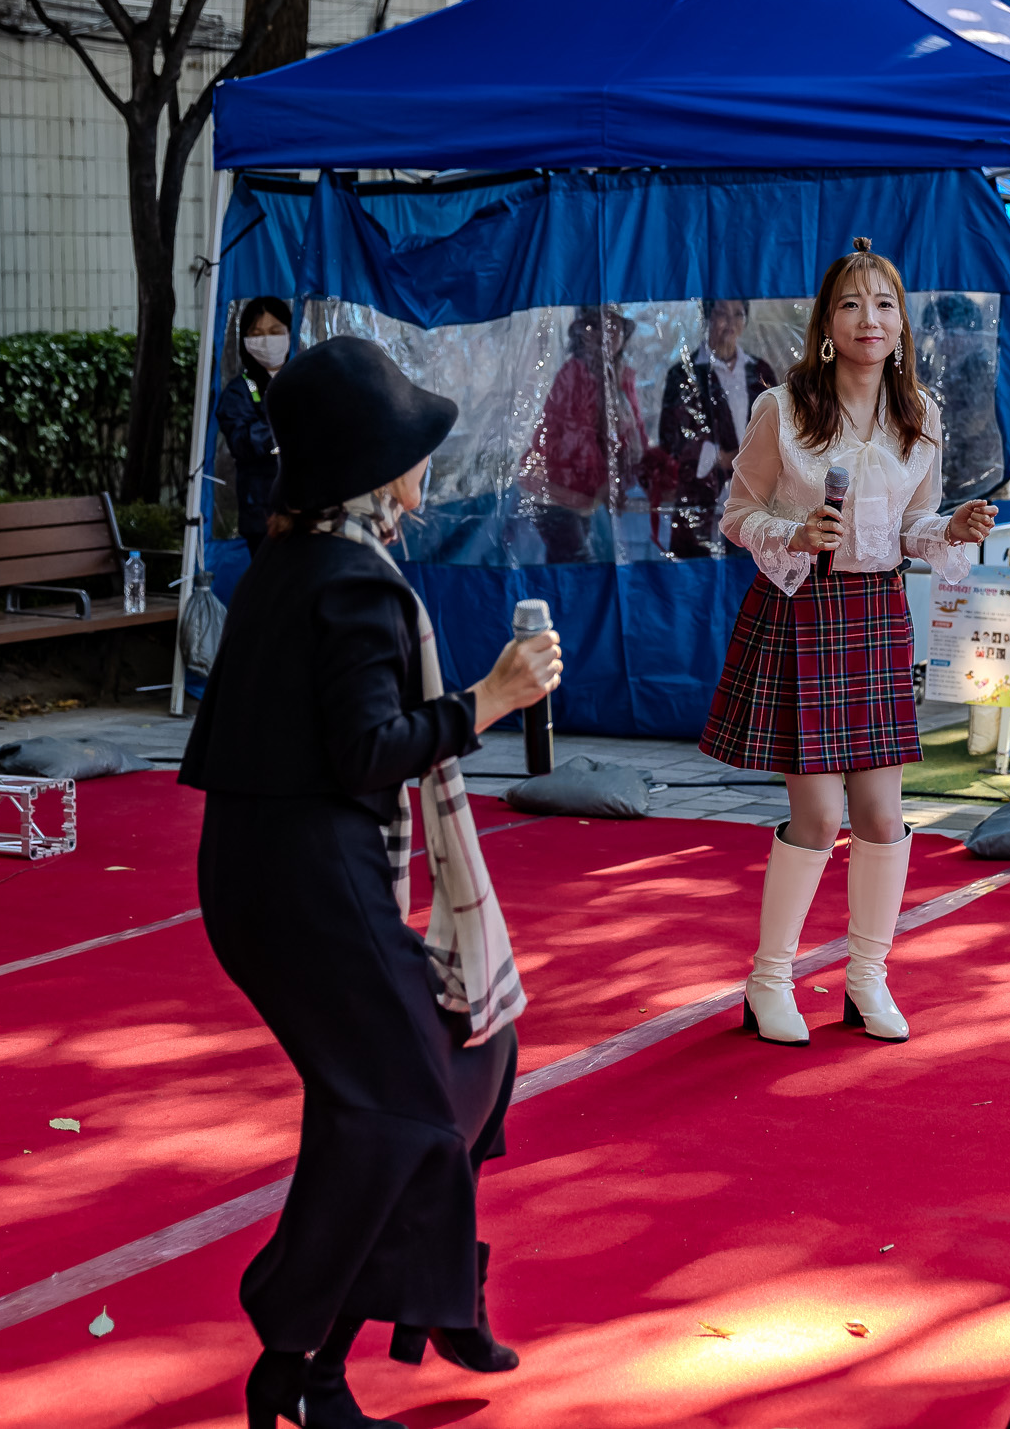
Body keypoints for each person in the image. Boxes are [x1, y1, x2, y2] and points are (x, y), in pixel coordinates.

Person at [181, 337, 563, 1429]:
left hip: (269, 872)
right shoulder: (348, 577)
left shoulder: (296, 562)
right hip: (309, 881)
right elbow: (365, 750)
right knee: (402, 1106)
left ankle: (431, 1297)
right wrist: (489, 698)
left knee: (476, 1047)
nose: (424, 466)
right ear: (370, 467)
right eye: (410, 448)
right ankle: (302, 1359)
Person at [700, 239, 995, 1048]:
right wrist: (795, 530)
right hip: (803, 608)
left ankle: (868, 979)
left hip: (878, 610)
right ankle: (769, 981)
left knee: (881, 810)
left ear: (902, 324)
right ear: (829, 323)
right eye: (854, 304)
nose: (872, 319)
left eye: (886, 305)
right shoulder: (783, 406)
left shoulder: (921, 415)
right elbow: (736, 515)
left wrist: (953, 526)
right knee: (820, 810)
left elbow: (911, 527)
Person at [523, 306, 646, 564]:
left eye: (615, 327)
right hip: (560, 495)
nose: (608, 334)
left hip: (594, 497)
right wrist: (606, 484)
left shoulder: (623, 377)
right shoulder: (573, 374)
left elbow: (635, 434)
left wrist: (631, 476)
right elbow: (572, 442)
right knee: (576, 569)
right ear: (585, 334)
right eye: (599, 326)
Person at [657, 298, 778, 558]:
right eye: (722, 313)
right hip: (698, 495)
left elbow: (778, 429)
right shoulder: (683, 374)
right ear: (707, 319)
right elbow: (671, 436)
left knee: (747, 570)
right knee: (696, 572)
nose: (730, 322)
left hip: (754, 495)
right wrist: (721, 458)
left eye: (738, 314)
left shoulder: (760, 371)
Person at [217, 297, 294, 555]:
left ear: (290, 334)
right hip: (262, 513)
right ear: (245, 340)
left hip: (308, 510)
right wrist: (289, 427)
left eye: (275, 332)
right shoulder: (240, 390)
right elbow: (242, 442)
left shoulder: (304, 379)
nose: (266, 341)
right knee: (272, 588)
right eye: (257, 333)